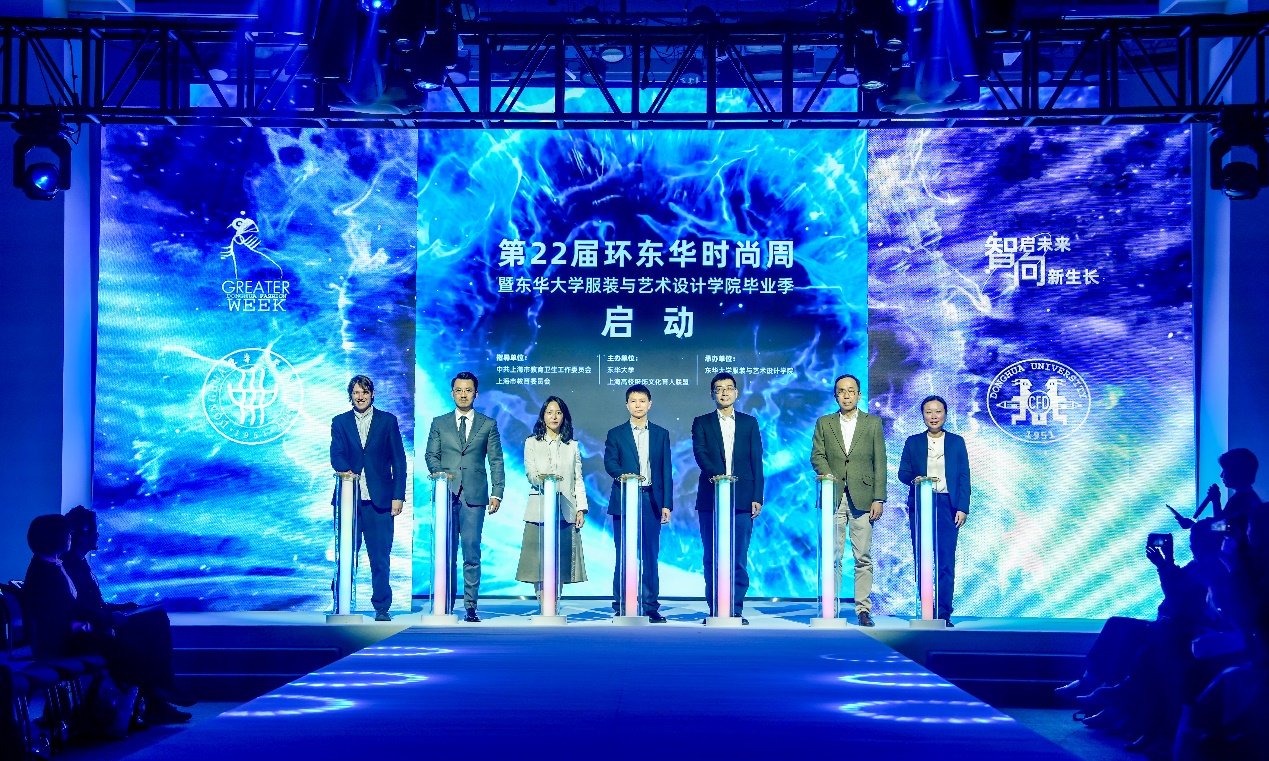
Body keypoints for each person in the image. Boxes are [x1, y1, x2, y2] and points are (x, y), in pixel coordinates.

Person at [22, 514, 189, 725]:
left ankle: (147, 699)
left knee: (132, 643)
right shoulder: (45, 572)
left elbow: (73, 607)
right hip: (64, 640)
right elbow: (69, 610)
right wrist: (106, 619)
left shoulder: (52, 566)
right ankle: (143, 700)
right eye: (68, 532)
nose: (71, 535)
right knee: (129, 651)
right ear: (55, 536)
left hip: (71, 634)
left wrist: (109, 615)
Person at [62, 506, 194, 710]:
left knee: (155, 618)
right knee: (147, 635)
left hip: (96, 623)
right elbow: (76, 609)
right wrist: (109, 617)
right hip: (88, 630)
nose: (98, 534)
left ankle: (159, 694)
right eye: (95, 529)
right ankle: (159, 693)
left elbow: (93, 603)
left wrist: (124, 607)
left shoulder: (79, 564)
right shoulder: (69, 566)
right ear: (83, 532)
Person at [425, 371, 505, 623]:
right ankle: (445, 604)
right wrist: (440, 476)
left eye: (468, 390)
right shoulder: (439, 423)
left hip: (474, 496)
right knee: (445, 553)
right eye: (459, 390)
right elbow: (431, 455)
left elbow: (496, 461)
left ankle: (470, 606)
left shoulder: (487, 424)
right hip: (446, 494)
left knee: (471, 553)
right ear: (452, 393)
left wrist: (497, 492)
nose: (463, 394)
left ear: (476, 394)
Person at [809, 373, 888, 627]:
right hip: (832, 495)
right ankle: (830, 608)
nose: (846, 395)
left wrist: (878, 498)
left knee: (862, 556)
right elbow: (817, 455)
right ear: (835, 396)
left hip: (863, 497)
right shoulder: (824, 423)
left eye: (851, 391)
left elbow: (880, 462)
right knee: (832, 555)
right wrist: (829, 477)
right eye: (841, 391)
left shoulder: (872, 423)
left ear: (859, 395)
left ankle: (863, 609)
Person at [330, 374, 408, 622]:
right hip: (349, 501)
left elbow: (399, 460)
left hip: (380, 502)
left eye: (364, 392)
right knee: (345, 556)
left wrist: (398, 496)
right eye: (355, 392)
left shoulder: (388, 421)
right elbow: (336, 455)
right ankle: (340, 603)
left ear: (372, 394)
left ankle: (382, 607)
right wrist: (348, 472)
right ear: (350, 396)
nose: (360, 396)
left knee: (380, 558)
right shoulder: (340, 422)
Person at [691, 372, 764, 624]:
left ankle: (735, 609)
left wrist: (757, 495)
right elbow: (700, 454)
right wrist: (718, 476)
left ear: (736, 392)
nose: (724, 392)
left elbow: (757, 461)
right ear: (712, 394)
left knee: (738, 557)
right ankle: (715, 609)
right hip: (711, 497)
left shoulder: (749, 423)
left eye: (729, 388)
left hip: (743, 499)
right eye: (719, 388)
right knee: (712, 557)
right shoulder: (701, 422)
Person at [896, 395, 970, 625]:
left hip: (948, 505)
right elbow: (902, 473)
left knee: (946, 561)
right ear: (923, 416)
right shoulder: (913, 442)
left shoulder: (956, 442)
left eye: (938, 411)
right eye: (928, 412)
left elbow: (964, 477)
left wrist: (962, 507)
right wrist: (915, 479)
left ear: (945, 414)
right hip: (921, 505)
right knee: (923, 559)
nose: (934, 416)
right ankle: (927, 611)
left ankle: (944, 614)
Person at [604, 384, 672, 622]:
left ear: (649, 404)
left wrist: (666, 504)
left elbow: (666, 470)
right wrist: (624, 476)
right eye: (633, 401)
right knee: (624, 554)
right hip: (624, 498)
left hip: (651, 498)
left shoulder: (661, 434)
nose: (638, 405)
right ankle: (622, 603)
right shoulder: (616, 433)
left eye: (642, 401)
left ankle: (650, 605)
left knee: (650, 555)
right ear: (627, 405)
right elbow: (610, 463)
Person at [515, 397, 588, 595]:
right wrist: (546, 481)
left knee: (560, 561)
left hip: (565, 509)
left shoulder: (572, 445)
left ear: (564, 417)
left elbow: (578, 479)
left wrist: (581, 508)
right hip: (538, 509)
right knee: (538, 562)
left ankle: (554, 602)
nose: (554, 417)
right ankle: (542, 601)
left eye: (558, 412)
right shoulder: (532, 442)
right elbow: (531, 473)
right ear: (543, 416)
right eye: (549, 412)